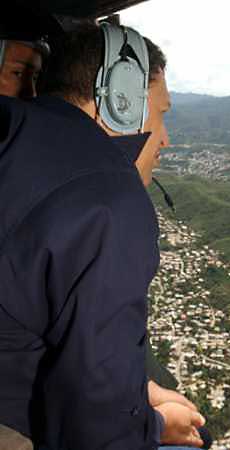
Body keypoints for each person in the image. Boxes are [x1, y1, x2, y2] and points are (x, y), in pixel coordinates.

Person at [0, 21, 204, 450]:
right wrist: (155, 425)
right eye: (161, 113)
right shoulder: (108, 196)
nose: (163, 139)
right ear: (121, 99)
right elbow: (95, 426)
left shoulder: (13, 129)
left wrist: (138, 391)